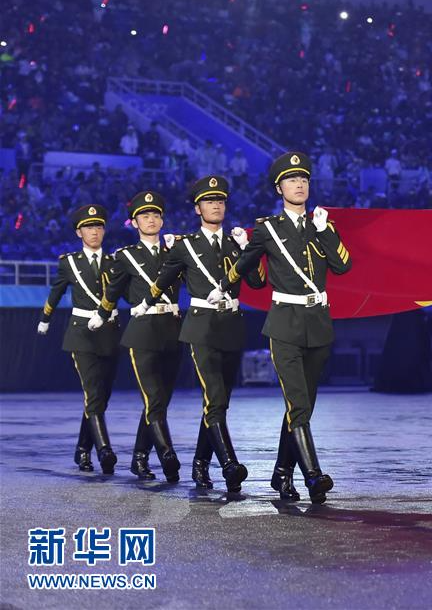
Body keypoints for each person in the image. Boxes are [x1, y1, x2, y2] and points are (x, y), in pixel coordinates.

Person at [211, 152, 351, 504]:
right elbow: (246, 267)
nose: (299, 184)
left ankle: (281, 472)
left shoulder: (323, 226)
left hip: (318, 322)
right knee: (298, 403)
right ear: (279, 187)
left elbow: (342, 267)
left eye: (303, 178)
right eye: (291, 179)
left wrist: (324, 232)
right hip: (285, 323)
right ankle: (313, 476)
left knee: (302, 406)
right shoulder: (267, 228)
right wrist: (224, 288)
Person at [138, 176, 266, 492]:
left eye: (220, 201)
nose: (216, 206)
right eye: (209, 201)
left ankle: (199, 465)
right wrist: (146, 305)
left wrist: (248, 248)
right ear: (198, 208)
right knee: (215, 397)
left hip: (232, 324)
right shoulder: (185, 246)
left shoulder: (235, 243)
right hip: (200, 325)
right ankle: (229, 465)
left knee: (218, 404)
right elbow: (163, 279)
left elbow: (259, 282)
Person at [93, 191, 183, 482]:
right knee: (154, 397)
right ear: (134, 222)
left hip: (172, 328)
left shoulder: (176, 252)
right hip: (142, 330)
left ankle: (139, 457)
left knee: (159, 401)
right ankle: (167, 454)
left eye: (156, 214)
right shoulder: (126, 256)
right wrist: (102, 315)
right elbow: (112, 292)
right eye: (145, 215)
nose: (152, 219)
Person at [37, 204, 120, 474]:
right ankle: (104, 449)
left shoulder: (115, 262)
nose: (94, 232)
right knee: (93, 392)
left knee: (101, 397)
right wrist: (45, 318)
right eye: (88, 227)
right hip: (81, 333)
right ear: (78, 232)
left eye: (98, 226)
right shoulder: (69, 262)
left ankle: (82, 449)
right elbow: (56, 292)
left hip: (109, 331)